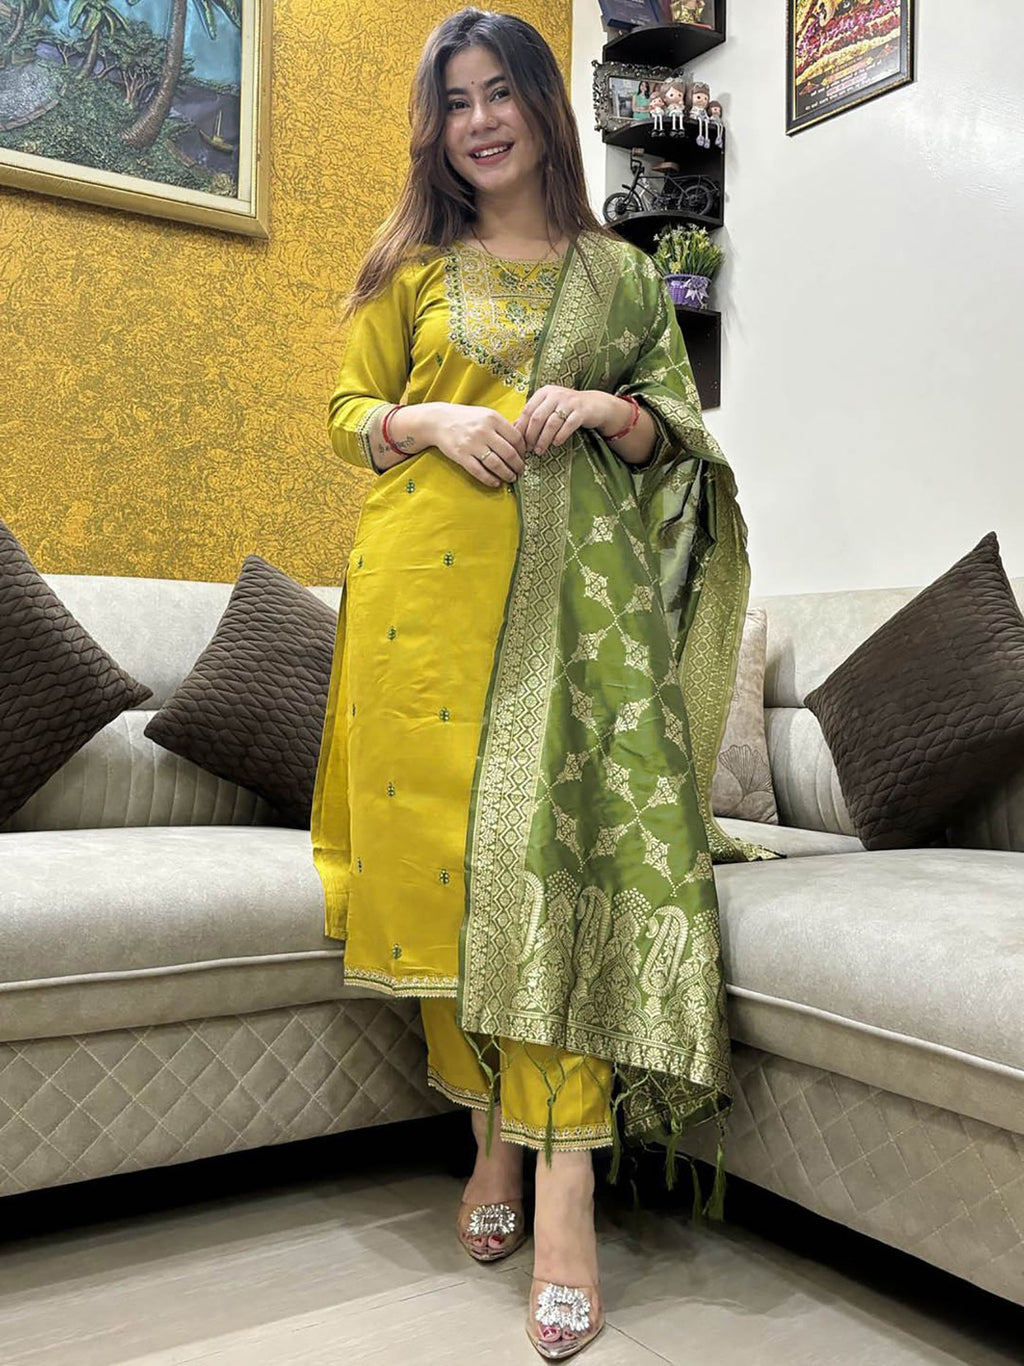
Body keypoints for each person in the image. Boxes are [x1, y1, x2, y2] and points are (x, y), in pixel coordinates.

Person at [311, 8, 772, 1358]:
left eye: (500, 90)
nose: (479, 119)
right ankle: (489, 1141)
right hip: (426, 611)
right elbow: (347, 415)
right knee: (461, 881)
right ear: (435, 125)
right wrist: (427, 418)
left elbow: (675, 434)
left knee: (552, 864)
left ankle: (564, 1181)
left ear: (541, 108)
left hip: (577, 622)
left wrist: (612, 414)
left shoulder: (621, 277)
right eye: (454, 100)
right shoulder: (407, 267)